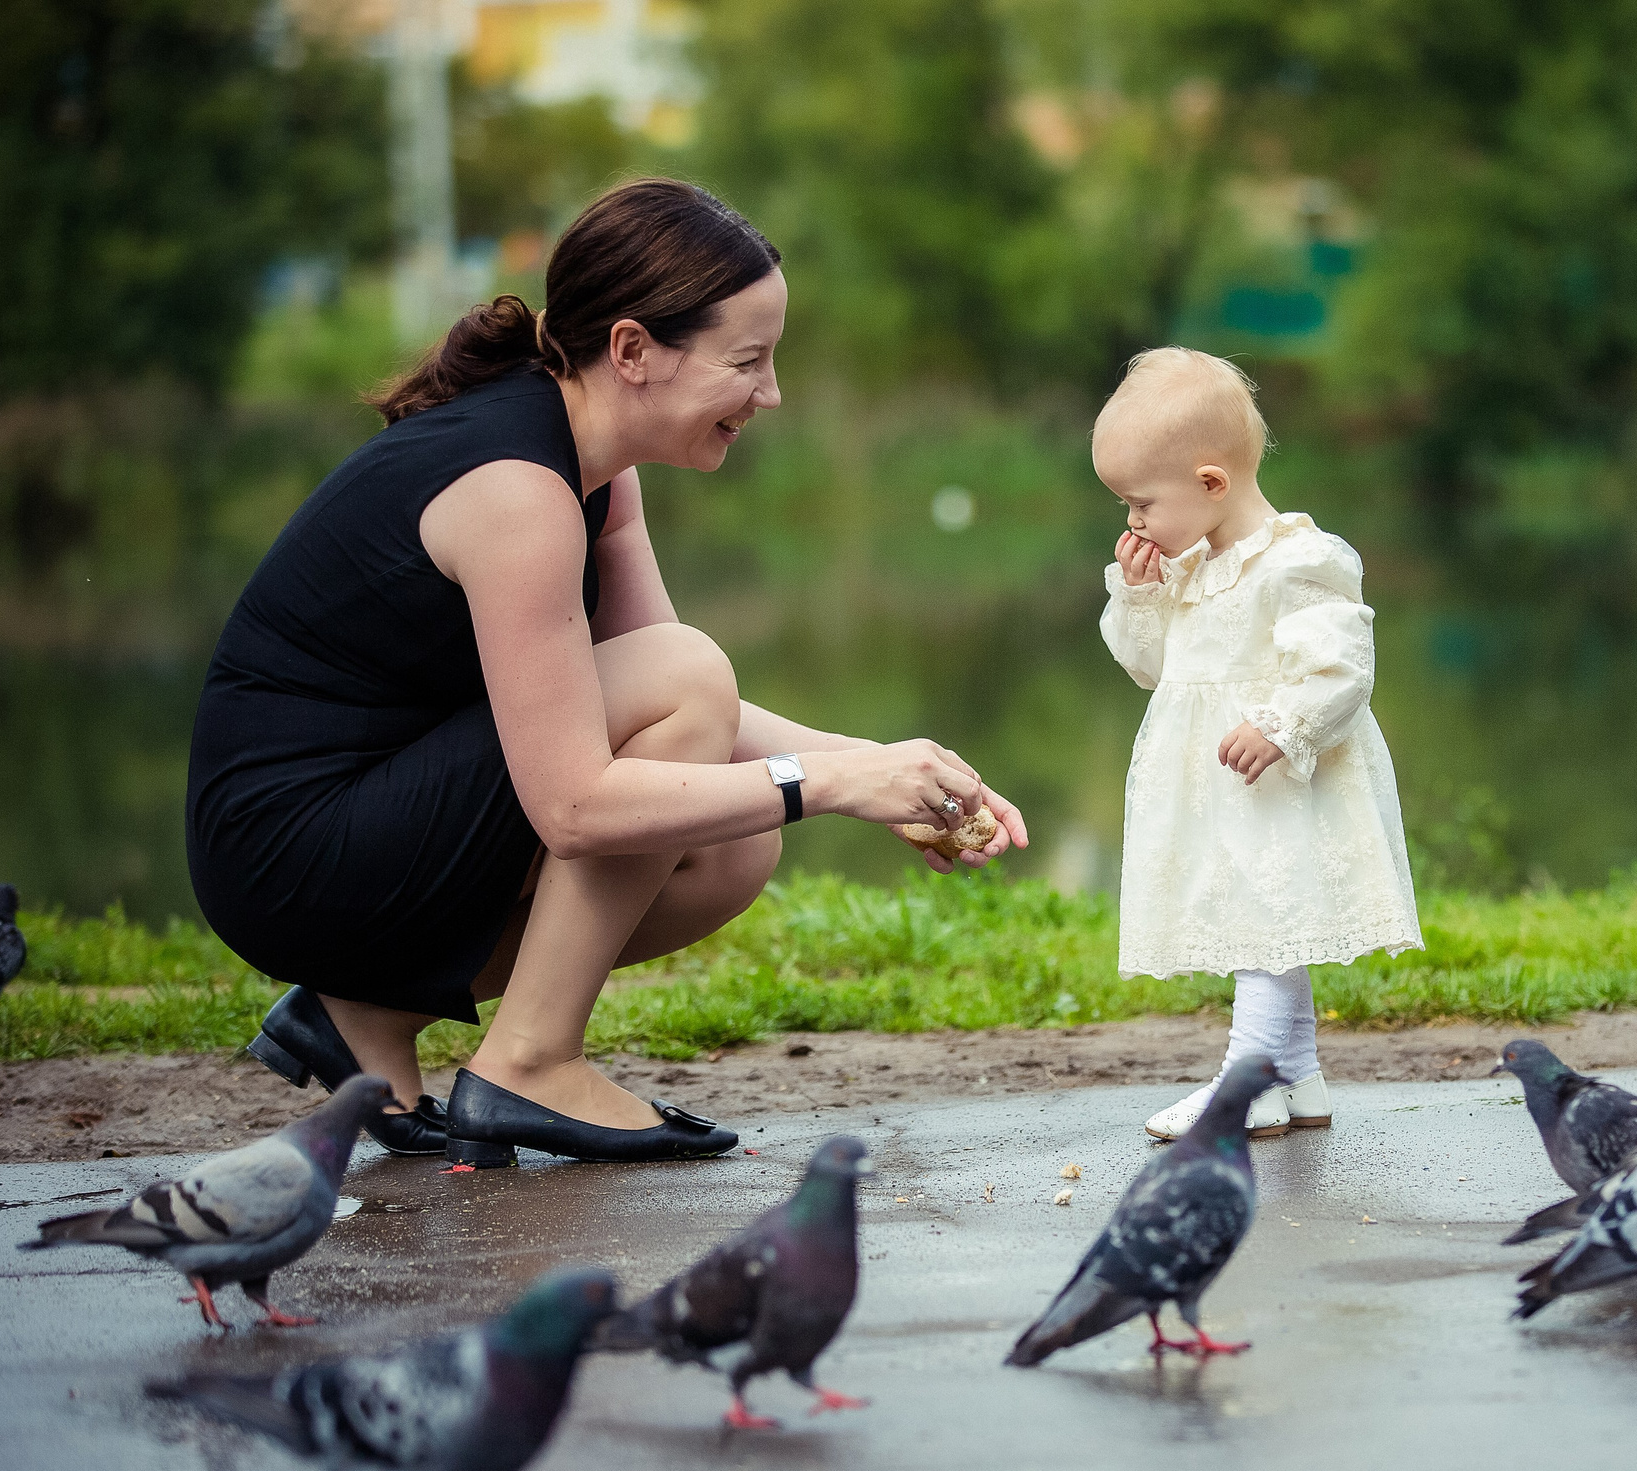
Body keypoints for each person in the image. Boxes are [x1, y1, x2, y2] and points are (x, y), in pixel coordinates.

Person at [187, 178, 1025, 1169]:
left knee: (732, 844)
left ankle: (362, 1016)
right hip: (289, 850)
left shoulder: (593, 467)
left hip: (369, 814)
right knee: (709, 737)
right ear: (631, 350)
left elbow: (680, 718)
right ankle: (528, 1066)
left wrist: (892, 768)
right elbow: (583, 800)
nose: (772, 395)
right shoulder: (515, 492)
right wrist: (835, 783)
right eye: (748, 362)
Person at [1093, 348, 1419, 1141]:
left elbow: (1341, 667)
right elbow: (1148, 667)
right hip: (1218, 786)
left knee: (1266, 915)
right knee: (1264, 916)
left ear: (1211, 484)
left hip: (1279, 776)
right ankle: (1296, 1077)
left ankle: (1248, 1083)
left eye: (1141, 503)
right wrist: (1140, 591)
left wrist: (1281, 724)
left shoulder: (1300, 560)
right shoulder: (1188, 568)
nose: (1132, 522)